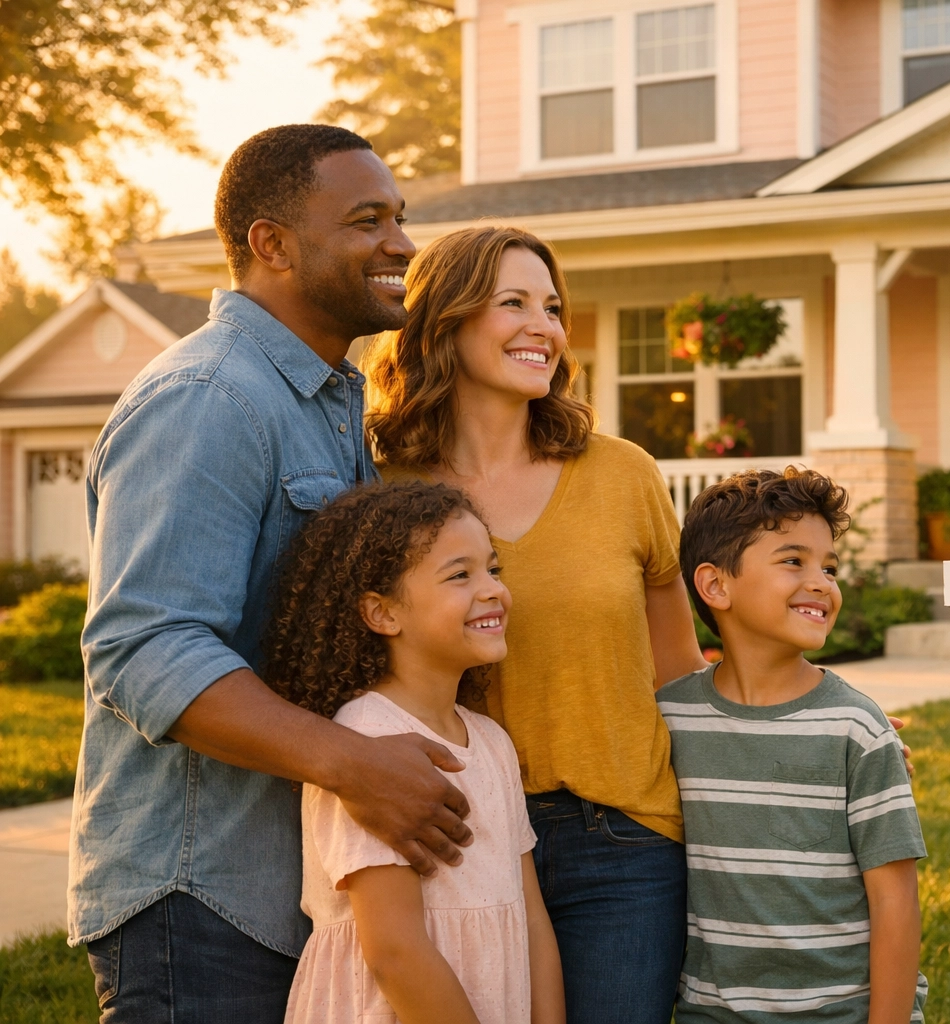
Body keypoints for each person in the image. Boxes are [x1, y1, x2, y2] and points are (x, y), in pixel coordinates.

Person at [72, 125, 475, 1023]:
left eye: (401, 218)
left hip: (296, 892)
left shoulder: (332, 404)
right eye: (368, 219)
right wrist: (355, 766)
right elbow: (145, 648)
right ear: (273, 243)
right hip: (202, 895)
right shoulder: (210, 398)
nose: (402, 244)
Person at [364, 225, 706, 1024]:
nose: (544, 327)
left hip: (621, 838)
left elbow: (679, 670)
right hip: (456, 833)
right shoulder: (383, 484)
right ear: (442, 321)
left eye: (552, 308)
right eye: (511, 302)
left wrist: (802, 737)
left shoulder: (623, 474)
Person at [264, 481, 564, 1024]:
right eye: (460, 574)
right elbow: (394, 954)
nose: (494, 589)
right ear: (382, 614)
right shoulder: (368, 741)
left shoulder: (491, 741)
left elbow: (532, 921)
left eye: (493, 569)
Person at [659, 468, 928, 1024]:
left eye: (830, 567)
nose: (822, 582)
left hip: (841, 1014)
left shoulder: (856, 727)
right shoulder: (672, 717)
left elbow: (896, 904)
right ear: (715, 586)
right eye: (793, 561)